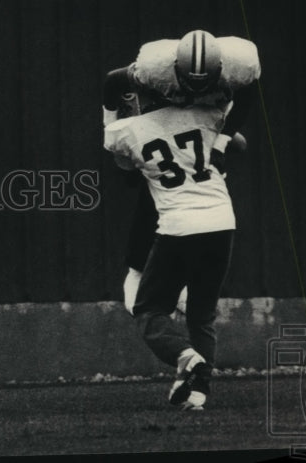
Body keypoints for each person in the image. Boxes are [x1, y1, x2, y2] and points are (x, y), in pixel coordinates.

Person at [103, 30, 259, 314]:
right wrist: (113, 128)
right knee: (154, 179)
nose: (196, 87)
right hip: (166, 108)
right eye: (191, 81)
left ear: (222, 69)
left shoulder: (241, 64)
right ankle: (139, 268)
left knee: (233, 149)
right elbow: (113, 80)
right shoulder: (154, 69)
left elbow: (249, 95)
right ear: (175, 68)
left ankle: (175, 276)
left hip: (210, 111)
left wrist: (222, 142)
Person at [104, 99, 236, 411]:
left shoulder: (136, 128)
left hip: (176, 223)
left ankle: (185, 356)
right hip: (221, 221)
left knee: (146, 307)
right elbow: (239, 140)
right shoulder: (207, 116)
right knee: (201, 315)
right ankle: (197, 393)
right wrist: (220, 138)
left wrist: (114, 110)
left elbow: (116, 151)